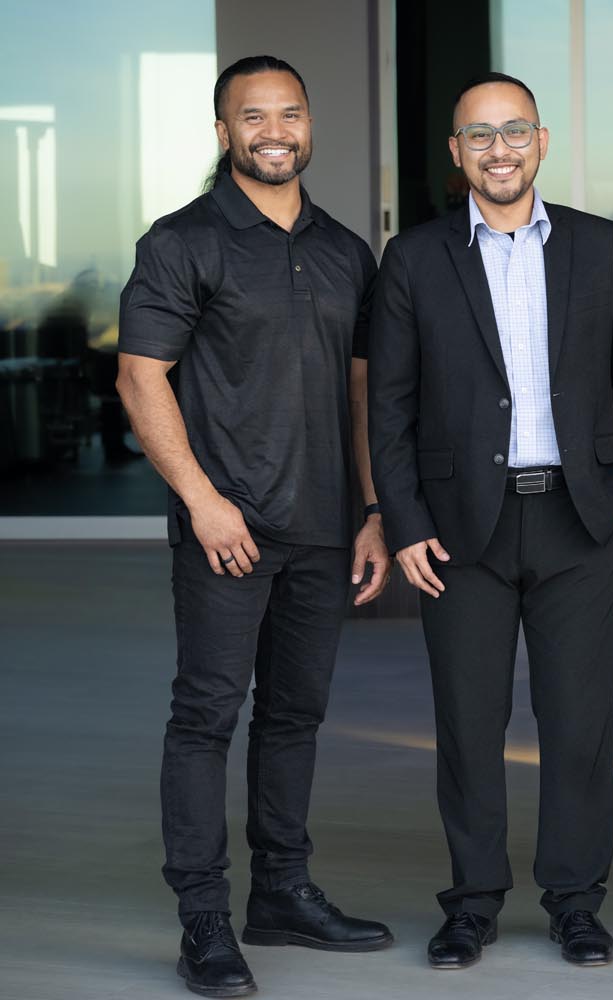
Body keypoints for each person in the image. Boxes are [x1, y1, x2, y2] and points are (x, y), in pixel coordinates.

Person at [367, 72, 613, 971]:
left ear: (541, 143)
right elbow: (389, 406)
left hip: (581, 521)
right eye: (479, 135)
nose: (498, 150)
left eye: (514, 131)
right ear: (456, 152)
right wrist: (403, 521)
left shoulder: (599, 246)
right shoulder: (414, 258)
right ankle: (472, 903)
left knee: (579, 724)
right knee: (468, 724)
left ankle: (575, 902)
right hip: (461, 530)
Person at [116, 55, 393, 999]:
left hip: (324, 527)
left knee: (294, 716)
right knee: (206, 718)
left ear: (309, 125)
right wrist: (202, 500)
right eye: (254, 116)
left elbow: (361, 394)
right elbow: (140, 378)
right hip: (227, 529)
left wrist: (371, 512)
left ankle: (281, 893)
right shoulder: (182, 242)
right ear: (223, 130)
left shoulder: (347, 251)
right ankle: (204, 919)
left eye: (290, 114)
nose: (275, 131)